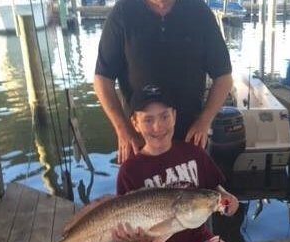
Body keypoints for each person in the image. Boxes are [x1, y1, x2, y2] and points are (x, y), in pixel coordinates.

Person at [113, 85, 258, 242]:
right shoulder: (130, 171)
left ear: (175, 116)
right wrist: (132, 237)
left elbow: (214, 187)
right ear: (135, 123)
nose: (158, 126)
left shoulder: (193, 153)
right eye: (148, 119)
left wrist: (226, 197)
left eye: (165, 116)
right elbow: (127, 222)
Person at [94, 0, 233, 163]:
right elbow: (102, 79)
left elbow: (224, 77)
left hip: (190, 138)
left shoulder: (199, 11)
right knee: (136, 187)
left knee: (196, 189)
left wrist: (204, 121)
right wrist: (122, 129)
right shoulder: (123, 11)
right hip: (140, 140)